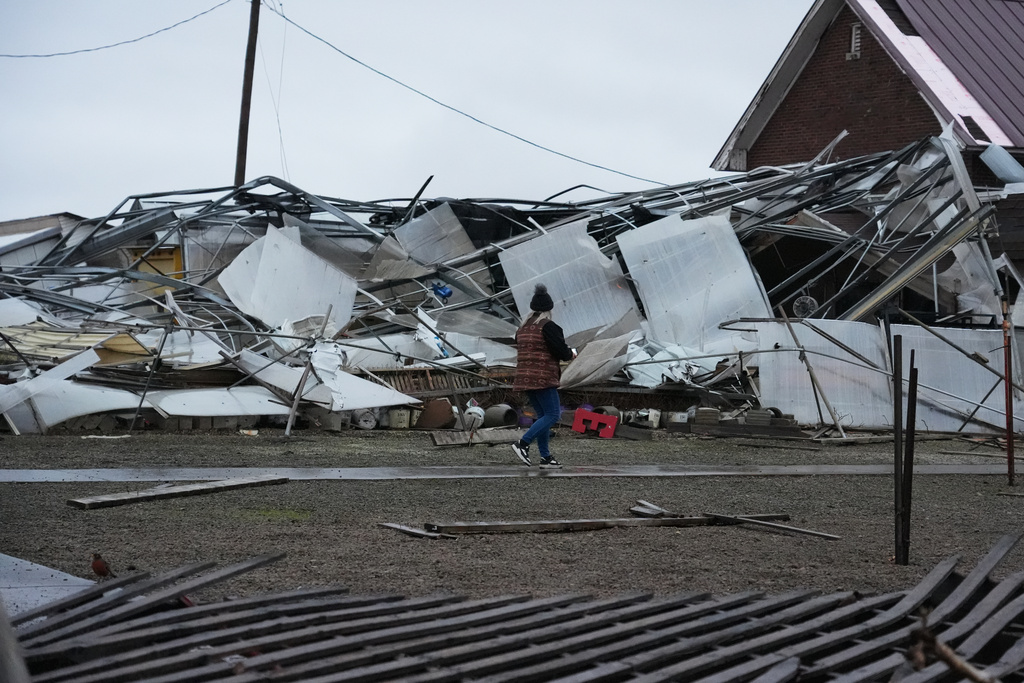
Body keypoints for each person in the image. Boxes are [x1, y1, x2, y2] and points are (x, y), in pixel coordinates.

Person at [511, 283, 575, 468]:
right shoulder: (549, 326)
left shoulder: (522, 328)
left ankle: (546, 457)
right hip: (543, 377)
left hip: (524, 377)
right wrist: (571, 354)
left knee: (542, 416)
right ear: (549, 308)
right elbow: (561, 351)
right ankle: (522, 444)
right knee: (553, 414)